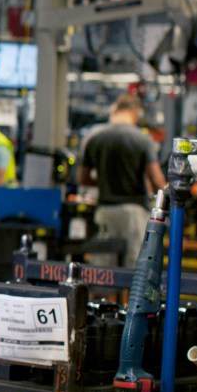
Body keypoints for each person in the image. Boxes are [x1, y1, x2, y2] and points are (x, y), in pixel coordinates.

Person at [77, 93, 167, 267]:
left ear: (115, 110)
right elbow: (156, 181)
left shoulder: (93, 138)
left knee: (103, 270)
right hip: (134, 212)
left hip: (105, 211)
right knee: (135, 269)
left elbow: (83, 178)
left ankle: (101, 296)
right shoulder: (142, 139)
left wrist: (104, 181)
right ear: (136, 113)